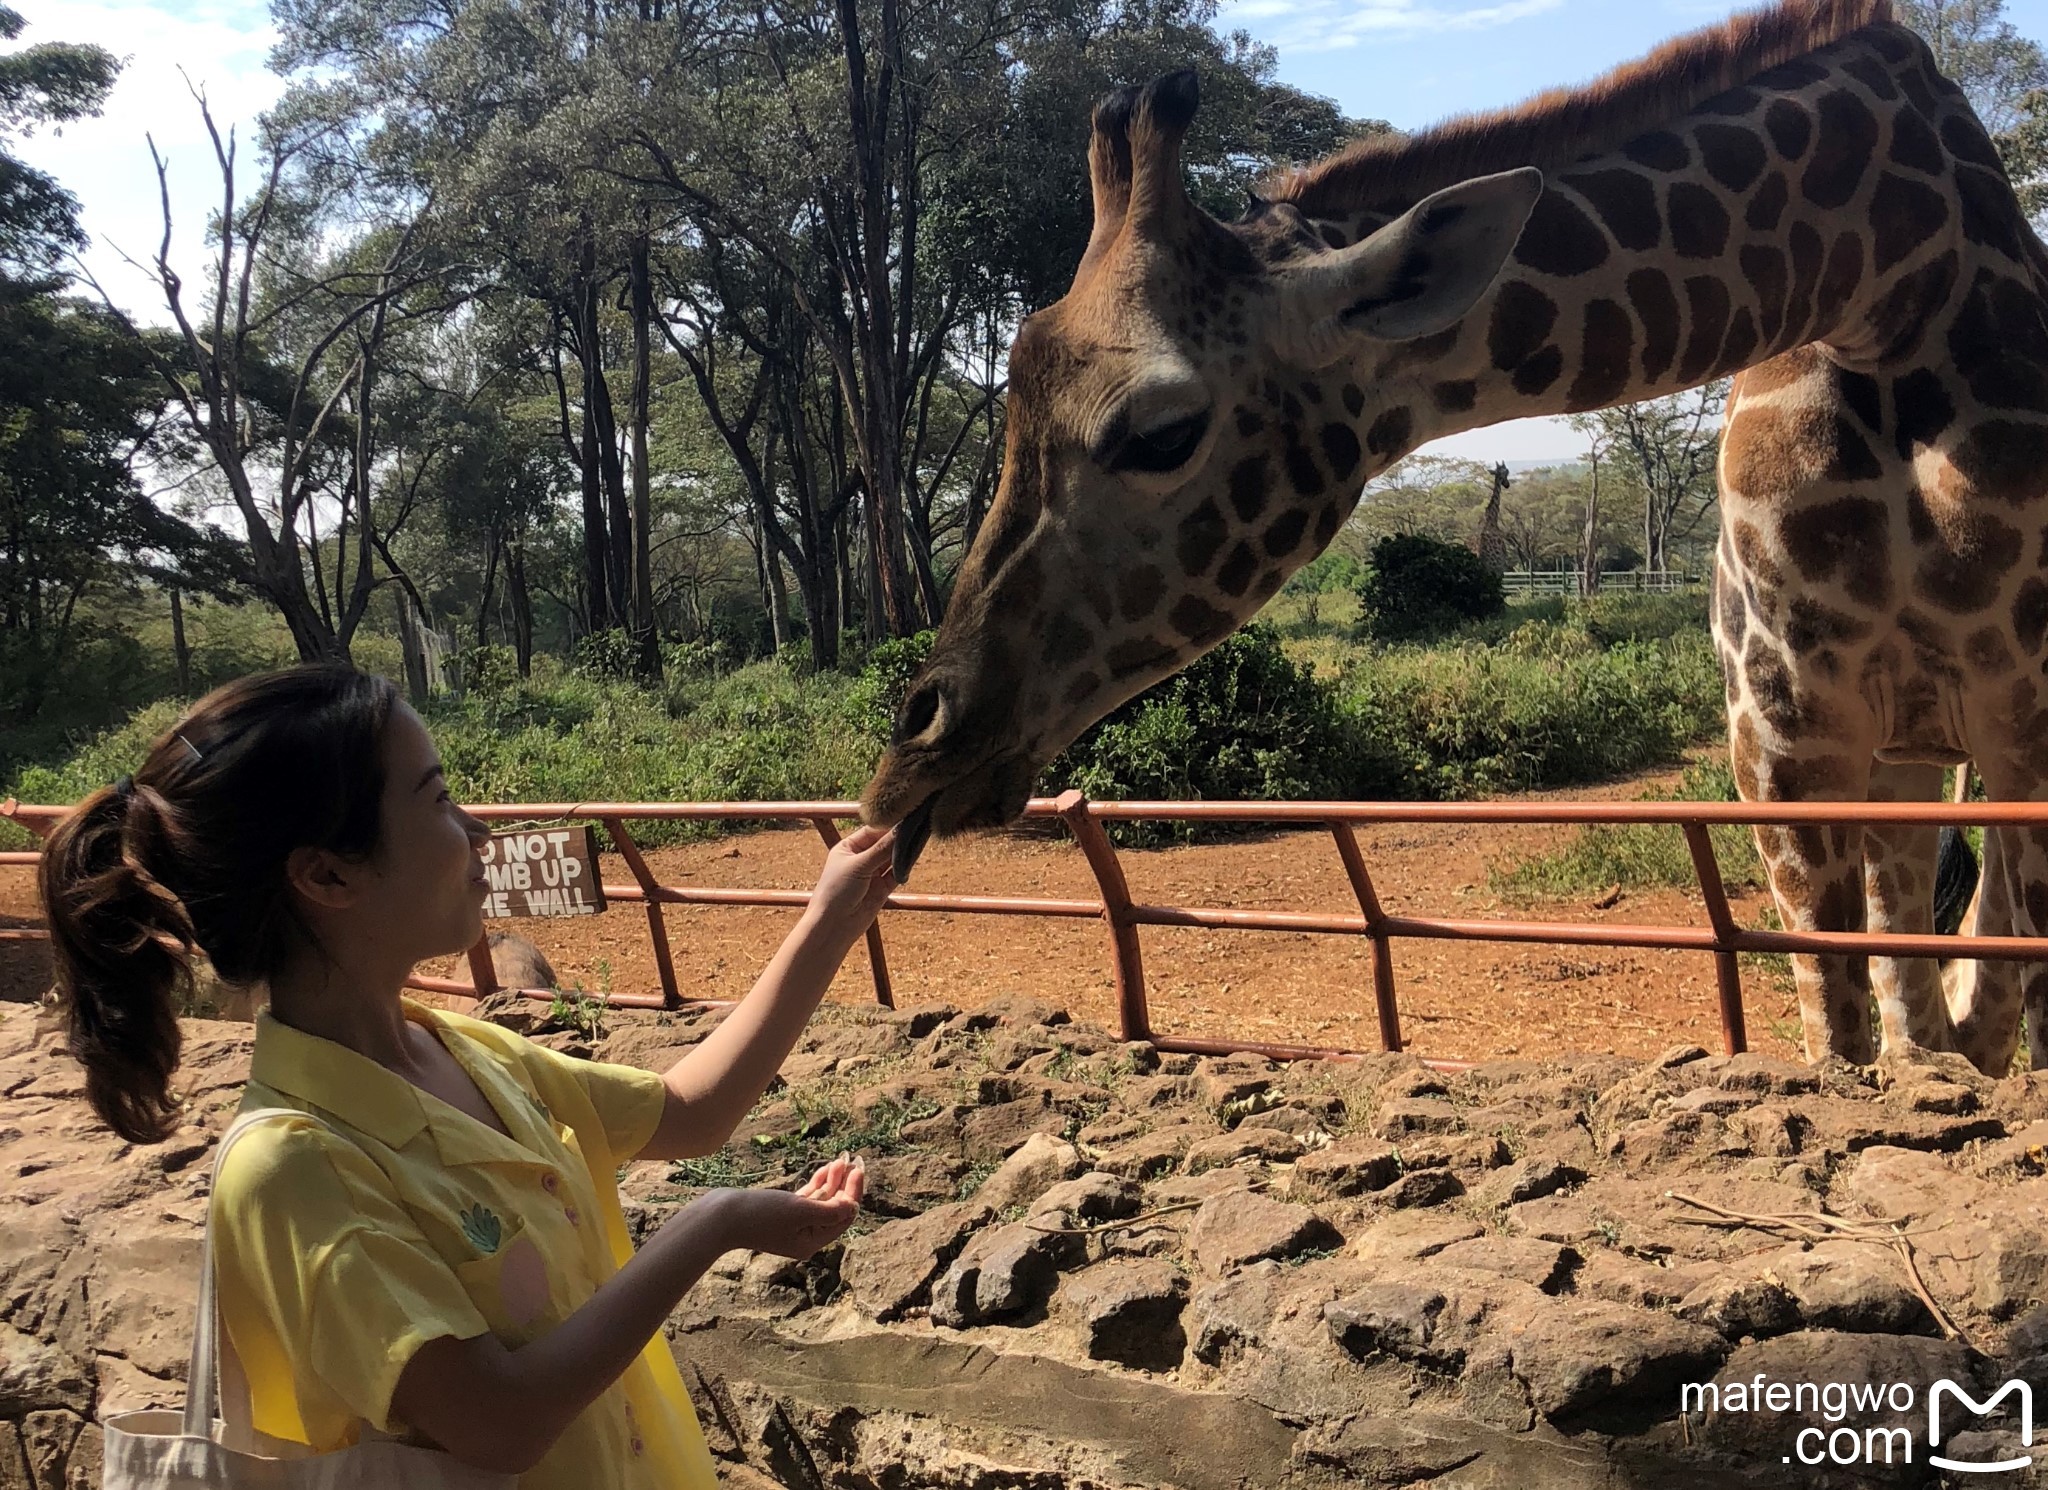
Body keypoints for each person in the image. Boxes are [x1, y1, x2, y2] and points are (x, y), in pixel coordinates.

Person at [38, 663, 899, 1486]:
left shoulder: (464, 1052)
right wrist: (712, 1222)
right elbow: (503, 1422)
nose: (478, 829)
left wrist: (830, 920)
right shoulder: (295, 1170)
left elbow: (690, 1111)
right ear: (327, 874)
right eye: (440, 798)